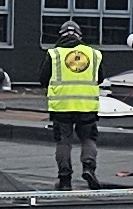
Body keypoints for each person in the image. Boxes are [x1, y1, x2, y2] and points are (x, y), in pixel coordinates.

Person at [45, 19, 105, 188]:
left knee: (63, 142)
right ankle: (89, 168)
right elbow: (100, 78)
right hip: (87, 107)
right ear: (79, 36)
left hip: (61, 107)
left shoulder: (55, 54)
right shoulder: (93, 54)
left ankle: (65, 180)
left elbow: (43, 78)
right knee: (88, 138)